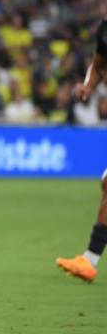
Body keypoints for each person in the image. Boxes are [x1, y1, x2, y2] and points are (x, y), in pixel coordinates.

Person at [55, 18, 107, 282]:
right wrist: (88, 86)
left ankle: (89, 260)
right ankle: (89, 261)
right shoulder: (104, 30)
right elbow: (98, 66)